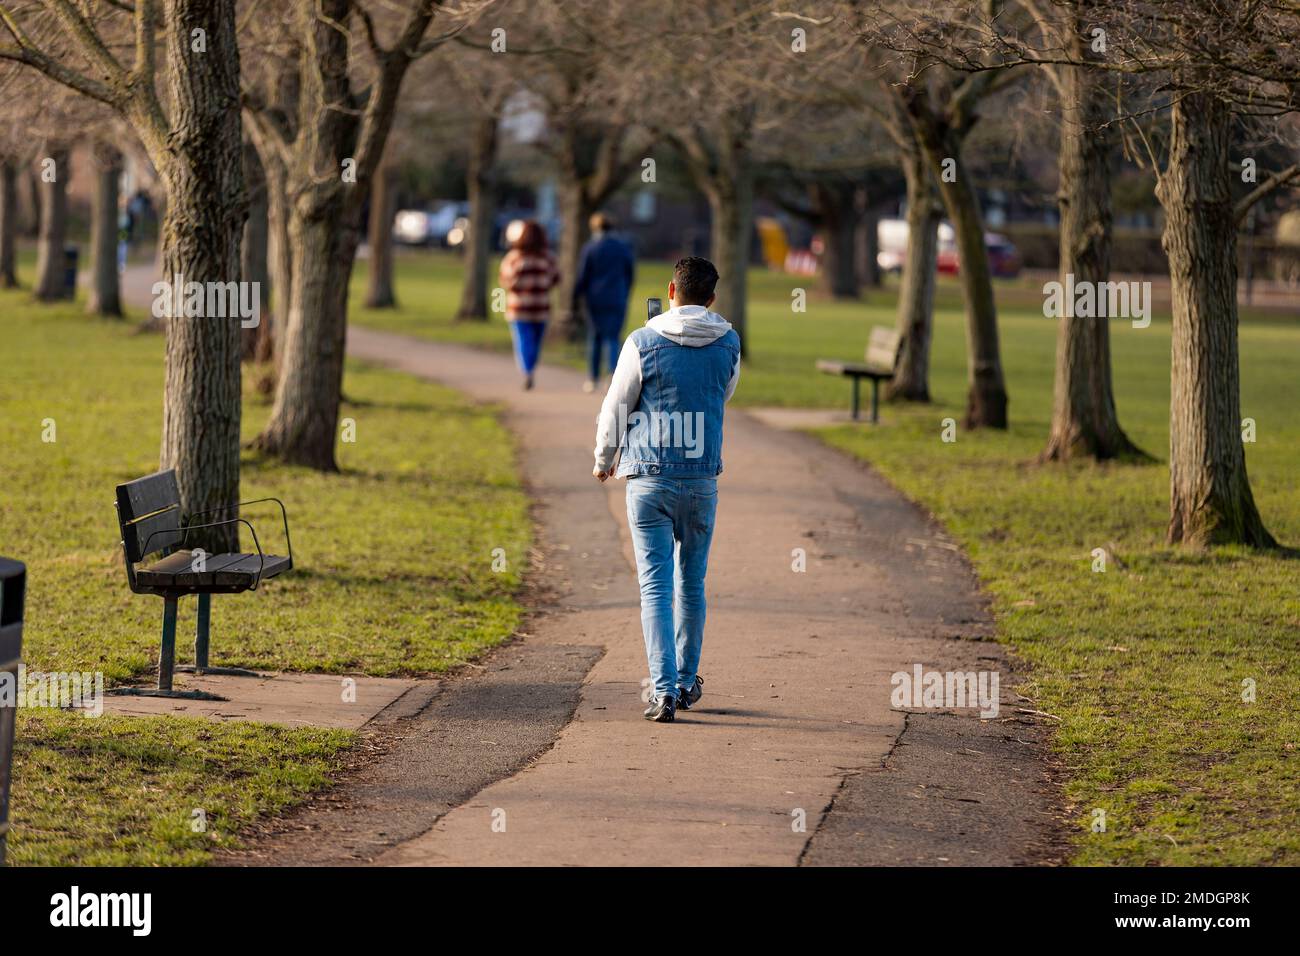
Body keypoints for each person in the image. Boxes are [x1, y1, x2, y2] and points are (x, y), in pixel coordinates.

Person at [592, 257, 741, 723]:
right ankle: (684, 679)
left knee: (655, 587)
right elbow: (724, 392)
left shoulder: (642, 341)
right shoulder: (730, 343)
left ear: (670, 291)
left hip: (648, 476)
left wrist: (603, 460)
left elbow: (617, 404)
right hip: (700, 478)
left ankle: (661, 692)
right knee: (691, 583)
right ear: (712, 298)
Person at [573, 212, 636, 393]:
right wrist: (625, 291)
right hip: (617, 297)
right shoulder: (623, 248)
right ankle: (613, 376)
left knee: (595, 337)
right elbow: (630, 273)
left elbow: (583, 276)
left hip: (594, 299)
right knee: (613, 338)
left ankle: (593, 378)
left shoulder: (590, 248)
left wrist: (575, 298)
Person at [499, 220, 560, 390]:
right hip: (541, 307)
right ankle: (530, 367)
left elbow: (505, 280)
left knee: (524, 340)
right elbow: (556, 279)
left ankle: (528, 371)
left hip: (519, 308)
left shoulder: (514, 257)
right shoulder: (548, 258)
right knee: (536, 341)